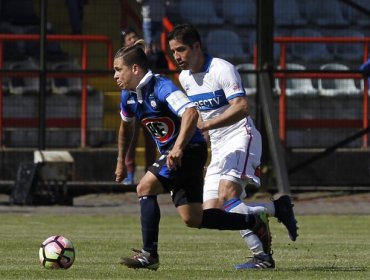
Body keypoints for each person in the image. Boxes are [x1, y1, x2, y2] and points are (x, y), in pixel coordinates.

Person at [113, 40, 271, 270]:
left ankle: (149, 255)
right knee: (193, 218)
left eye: (119, 70)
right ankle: (253, 222)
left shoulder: (161, 86)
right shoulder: (127, 96)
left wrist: (177, 147)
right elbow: (125, 127)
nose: (115, 75)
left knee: (144, 187)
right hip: (176, 154)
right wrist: (120, 160)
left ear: (135, 69)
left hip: (188, 150)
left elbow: (189, 111)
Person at [168, 23, 298, 269]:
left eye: (181, 50)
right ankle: (275, 211)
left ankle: (261, 254)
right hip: (217, 148)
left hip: (241, 137)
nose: (177, 56)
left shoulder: (222, 69)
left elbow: (241, 107)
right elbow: (196, 115)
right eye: (173, 51)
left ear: (197, 46)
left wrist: (206, 126)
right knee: (210, 211)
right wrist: (186, 145)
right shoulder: (185, 77)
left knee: (228, 196)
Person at [120, 27, 157, 185]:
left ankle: (151, 171)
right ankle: (130, 172)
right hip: (133, 104)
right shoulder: (122, 59)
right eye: (129, 38)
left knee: (151, 138)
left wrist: (151, 55)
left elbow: (158, 69)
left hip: (150, 103)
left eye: (134, 37)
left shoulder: (147, 57)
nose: (132, 40)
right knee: (131, 138)